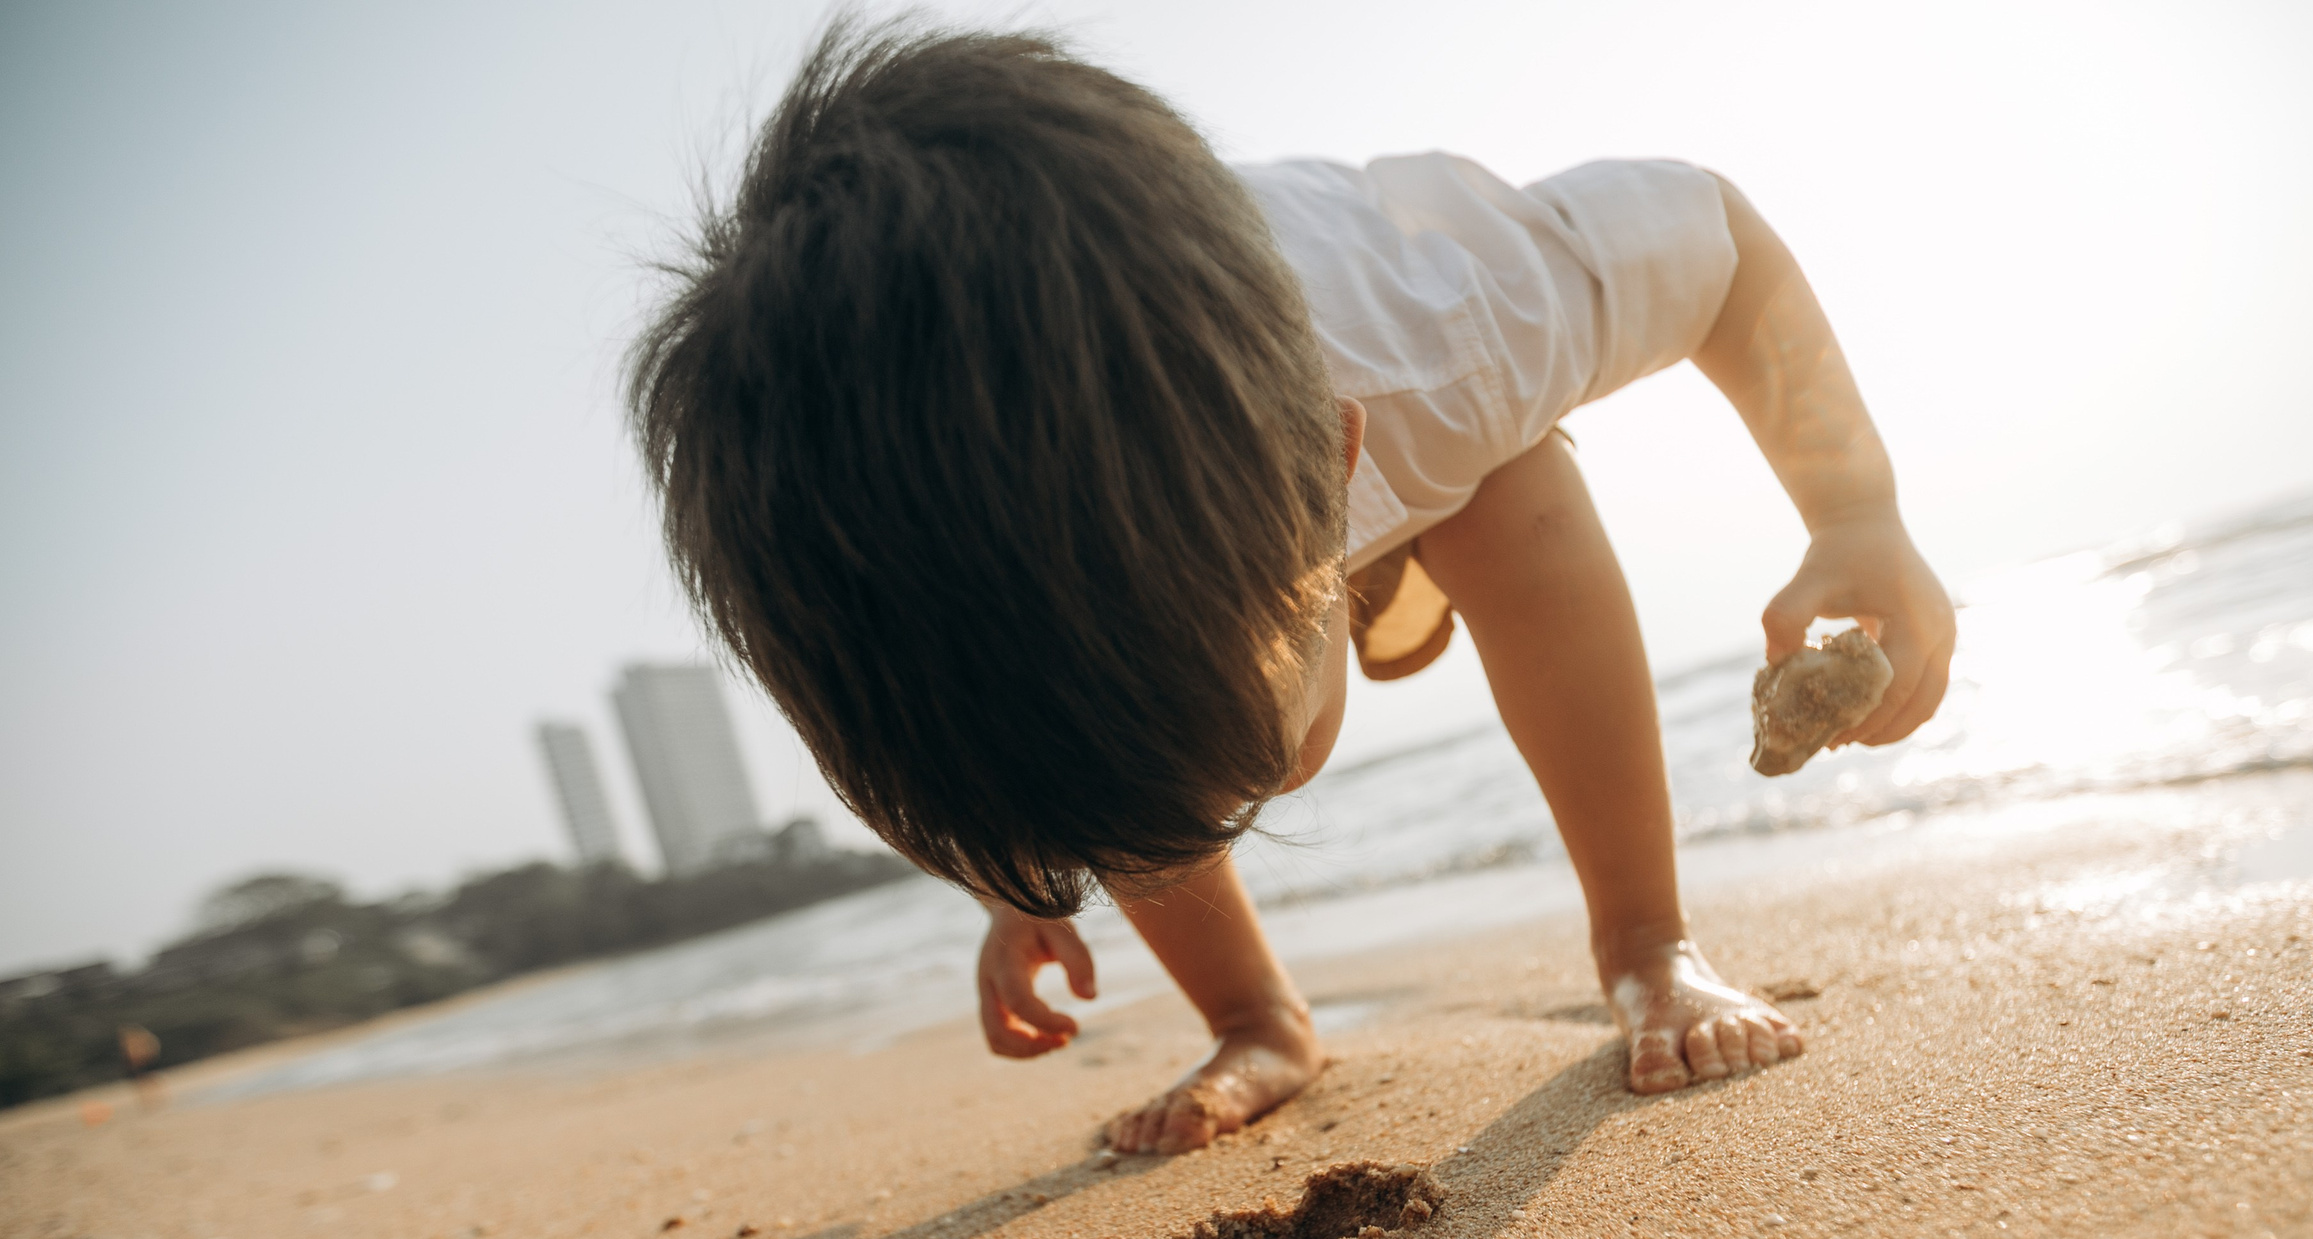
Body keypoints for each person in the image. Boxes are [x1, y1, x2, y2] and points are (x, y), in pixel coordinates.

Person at [628, 22, 1956, 1153]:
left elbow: (1719, 241)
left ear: (1337, 476)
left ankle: (1647, 942)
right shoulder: (887, 563)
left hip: (1406, 426)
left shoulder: (1460, 317)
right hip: (1208, 516)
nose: (1231, 818)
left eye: (1248, 774)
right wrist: (1015, 876)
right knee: (1108, 742)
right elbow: (976, 702)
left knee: (1509, 494)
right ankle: (1257, 1019)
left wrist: (1855, 509)